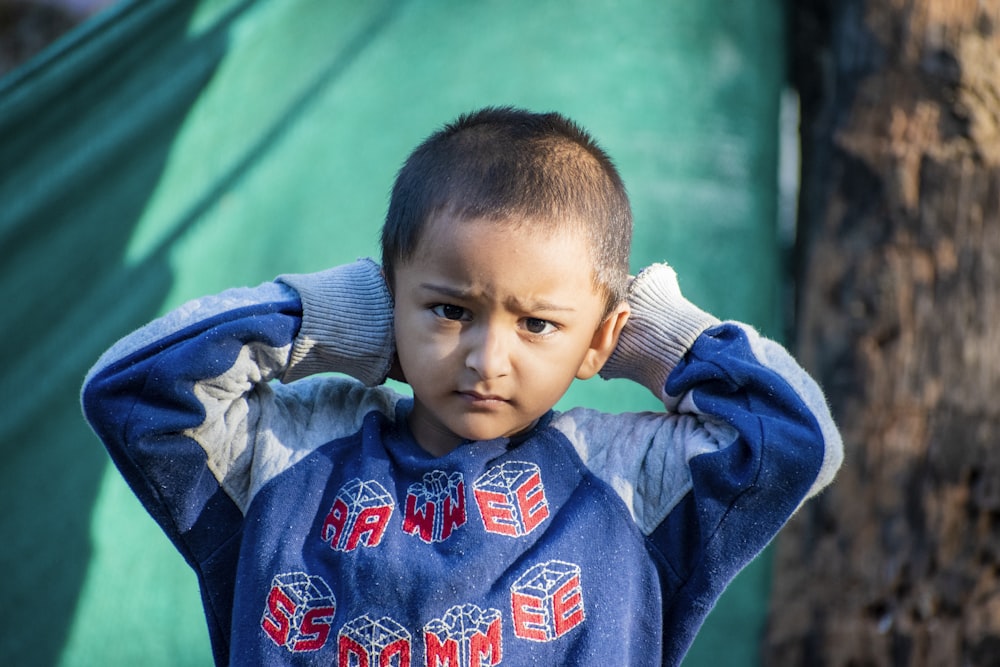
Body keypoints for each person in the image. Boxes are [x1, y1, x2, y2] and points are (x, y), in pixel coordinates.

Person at [82, 106, 842, 666]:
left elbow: (791, 439)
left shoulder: (627, 485)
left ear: (598, 338)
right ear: (389, 303)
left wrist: (653, 335)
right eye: (450, 310)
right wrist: (336, 318)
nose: (487, 358)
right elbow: (137, 389)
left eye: (538, 324)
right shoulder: (288, 456)